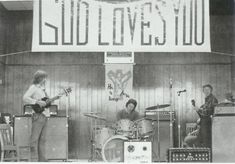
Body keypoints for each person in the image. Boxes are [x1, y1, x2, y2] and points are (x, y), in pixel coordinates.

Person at [23, 70, 49, 162]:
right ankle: (33, 161)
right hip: (38, 116)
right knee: (34, 140)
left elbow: (45, 103)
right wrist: (37, 101)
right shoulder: (33, 87)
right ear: (39, 78)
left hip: (45, 116)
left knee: (42, 141)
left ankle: (42, 161)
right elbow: (25, 97)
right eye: (44, 78)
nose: (45, 80)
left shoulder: (42, 89)